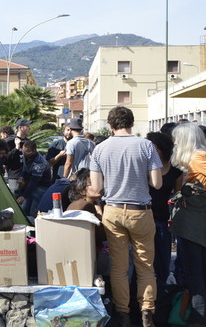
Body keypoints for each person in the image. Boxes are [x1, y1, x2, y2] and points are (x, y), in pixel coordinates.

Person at [90, 106, 163, 327]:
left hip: (112, 211)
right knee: (145, 266)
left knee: (119, 267)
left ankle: (122, 313)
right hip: (140, 212)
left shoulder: (100, 149)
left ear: (110, 126)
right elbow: (157, 184)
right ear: (131, 123)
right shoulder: (146, 146)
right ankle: (146, 311)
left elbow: (96, 187)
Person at [170, 123, 206, 326]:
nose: (174, 142)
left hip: (195, 226)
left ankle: (198, 316)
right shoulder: (199, 156)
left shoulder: (198, 157)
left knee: (195, 272)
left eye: (177, 139)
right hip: (195, 224)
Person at [145, 131, 182, 290]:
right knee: (145, 260)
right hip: (144, 215)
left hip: (163, 218)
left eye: (152, 147)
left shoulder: (175, 170)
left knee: (163, 259)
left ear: (162, 148)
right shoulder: (144, 166)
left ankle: (162, 292)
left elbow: (178, 195)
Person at [16, 140, 52, 222]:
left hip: (41, 187)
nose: (24, 154)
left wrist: (23, 196)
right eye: (23, 151)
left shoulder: (39, 162)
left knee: (33, 212)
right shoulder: (26, 156)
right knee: (24, 210)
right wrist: (22, 177)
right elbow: (25, 169)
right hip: (30, 186)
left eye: (27, 152)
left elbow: (34, 182)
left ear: (34, 151)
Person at [5, 119, 32, 196]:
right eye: (27, 126)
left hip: (27, 176)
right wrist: (16, 148)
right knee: (14, 195)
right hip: (15, 176)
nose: (29, 128)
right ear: (20, 128)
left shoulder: (29, 142)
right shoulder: (9, 141)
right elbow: (5, 159)